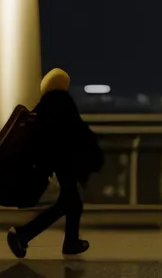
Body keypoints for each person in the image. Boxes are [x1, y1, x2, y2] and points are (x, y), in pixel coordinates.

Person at [7, 69, 103, 259]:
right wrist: (93, 152)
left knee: (71, 203)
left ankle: (69, 242)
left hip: (53, 160)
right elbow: (77, 129)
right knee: (69, 203)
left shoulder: (45, 104)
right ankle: (24, 234)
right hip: (64, 159)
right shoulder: (62, 101)